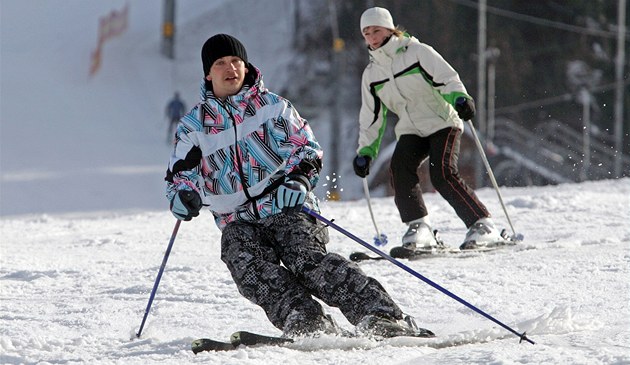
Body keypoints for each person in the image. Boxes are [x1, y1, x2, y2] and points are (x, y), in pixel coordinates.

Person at [165, 33, 431, 338]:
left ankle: (382, 314)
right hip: (237, 219)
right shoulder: (194, 126)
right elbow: (179, 174)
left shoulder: (272, 108)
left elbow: (307, 149)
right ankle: (305, 320)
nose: (231, 68)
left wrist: (299, 180)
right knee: (245, 263)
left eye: (237, 61)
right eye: (221, 63)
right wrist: (182, 197)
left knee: (305, 260)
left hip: (285, 204)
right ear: (208, 73)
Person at [352, 7, 505, 251]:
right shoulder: (371, 74)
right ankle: (419, 227)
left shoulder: (417, 53)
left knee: (442, 173)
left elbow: (446, 77)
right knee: (400, 169)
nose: (371, 37)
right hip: (411, 128)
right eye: (366, 33)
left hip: (442, 122)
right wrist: (366, 151)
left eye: (376, 31)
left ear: (390, 29)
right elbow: (372, 116)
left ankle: (482, 224)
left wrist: (460, 98)